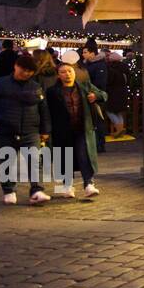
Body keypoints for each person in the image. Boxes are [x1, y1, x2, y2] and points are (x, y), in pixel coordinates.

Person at [0, 52, 51, 204]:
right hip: (6, 131)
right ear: (15, 66)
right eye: (23, 69)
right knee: (6, 161)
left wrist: (45, 129)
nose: (26, 73)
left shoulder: (36, 86)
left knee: (35, 161)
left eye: (29, 71)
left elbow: (43, 109)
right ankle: (9, 190)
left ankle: (37, 190)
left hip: (31, 131)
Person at [46, 60, 105, 198]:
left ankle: (89, 184)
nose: (67, 74)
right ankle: (68, 186)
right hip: (61, 130)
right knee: (65, 156)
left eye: (69, 71)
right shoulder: (52, 92)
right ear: (58, 75)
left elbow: (104, 95)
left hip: (83, 129)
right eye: (63, 72)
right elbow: (47, 111)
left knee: (84, 156)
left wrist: (95, 96)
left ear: (74, 73)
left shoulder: (85, 87)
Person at [103, 50, 131, 137]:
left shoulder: (110, 67)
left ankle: (119, 130)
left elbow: (109, 81)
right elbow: (129, 79)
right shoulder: (125, 66)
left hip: (112, 92)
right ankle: (120, 130)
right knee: (118, 112)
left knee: (109, 111)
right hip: (123, 91)